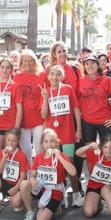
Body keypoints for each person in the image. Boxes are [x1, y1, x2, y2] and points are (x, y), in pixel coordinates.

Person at [39, 64, 83, 207]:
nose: (55, 77)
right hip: (52, 133)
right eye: (52, 74)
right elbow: (43, 115)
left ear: (63, 76)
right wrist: (45, 99)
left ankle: (76, 193)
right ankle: (57, 193)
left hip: (68, 131)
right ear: (48, 76)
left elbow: (76, 109)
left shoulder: (67, 89)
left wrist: (78, 129)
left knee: (69, 162)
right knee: (54, 163)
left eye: (58, 74)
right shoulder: (45, 92)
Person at [19, 128, 77, 220]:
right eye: (46, 141)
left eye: (52, 141)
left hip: (55, 191)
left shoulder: (61, 155)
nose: (49, 144)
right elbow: (32, 175)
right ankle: (30, 212)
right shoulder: (39, 157)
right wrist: (32, 179)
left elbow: (73, 172)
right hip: (41, 188)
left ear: (57, 142)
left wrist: (59, 157)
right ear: (42, 143)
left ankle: (53, 206)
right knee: (24, 184)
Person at [76, 136, 111, 220]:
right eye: (105, 147)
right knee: (89, 212)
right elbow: (78, 153)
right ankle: (98, 202)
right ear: (101, 148)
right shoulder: (96, 154)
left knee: (105, 189)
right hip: (94, 187)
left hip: (108, 188)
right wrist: (90, 146)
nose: (108, 150)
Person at [0, 127, 30, 215]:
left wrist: (16, 188)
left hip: (16, 185)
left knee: (15, 204)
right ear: (5, 139)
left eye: (13, 141)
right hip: (5, 182)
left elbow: (23, 176)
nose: (10, 143)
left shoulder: (21, 155)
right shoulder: (1, 152)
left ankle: (21, 199)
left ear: (18, 141)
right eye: (8, 140)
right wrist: (4, 157)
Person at [79, 55, 111, 144]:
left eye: (92, 63)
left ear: (97, 64)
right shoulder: (81, 81)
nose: (90, 66)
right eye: (87, 64)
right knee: (90, 148)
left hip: (105, 120)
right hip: (87, 121)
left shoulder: (106, 80)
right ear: (84, 67)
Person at [14, 49, 45, 165]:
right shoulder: (17, 77)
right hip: (23, 119)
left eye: (30, 61)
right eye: (25, 61)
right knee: (25, 149)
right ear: (21, 63)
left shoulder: (42, 76)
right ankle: (28, 173)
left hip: (39, 118)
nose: (28, 63)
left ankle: (39, 171)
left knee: (39, 148)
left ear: (35, 62)